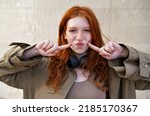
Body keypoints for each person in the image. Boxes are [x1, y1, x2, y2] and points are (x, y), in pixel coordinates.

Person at [0, 6, 150, 99]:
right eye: (72, 30)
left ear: (94, 34)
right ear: (64, 34)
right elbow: (3, 71)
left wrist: (124, 54)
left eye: (87, 30)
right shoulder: (40, 67)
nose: (79, 37)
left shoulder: (115, 69)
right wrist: (31, 52)